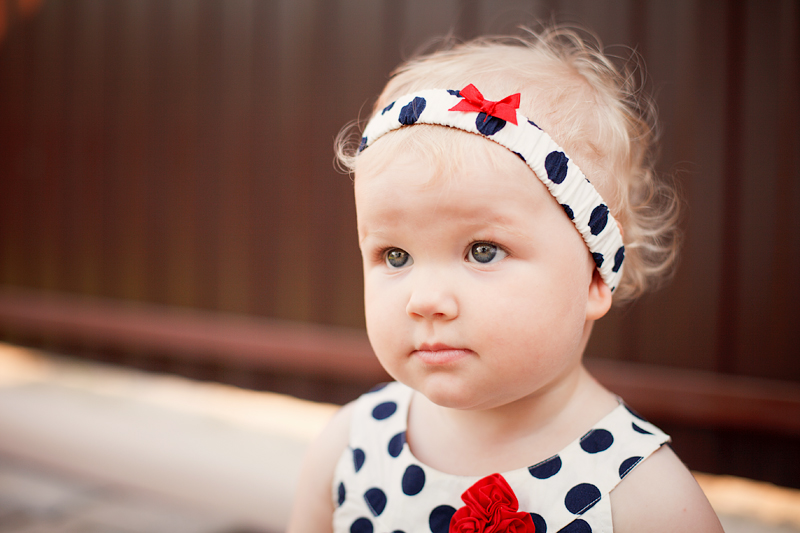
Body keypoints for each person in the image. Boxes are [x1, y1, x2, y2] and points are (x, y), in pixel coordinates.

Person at [287, 25, 723, 533]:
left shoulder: (646, 500)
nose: (424, 300)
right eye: (396, 255)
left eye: (483, 251)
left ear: (594, 275)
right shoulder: (351, 450)